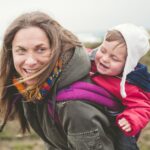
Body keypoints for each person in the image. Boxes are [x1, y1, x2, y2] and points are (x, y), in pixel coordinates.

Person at [0, 11, 121, 150]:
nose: (30, 61)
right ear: (11, 54)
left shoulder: (73, 106)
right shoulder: (36, 88)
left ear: (56, 49)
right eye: (21, 51)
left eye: (40, 49)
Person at [88, 23, 150, 150]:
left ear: (127, 64)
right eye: (103, 50)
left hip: (120, 125)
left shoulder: (129, 85)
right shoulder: (92, 61)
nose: (104, 59)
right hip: (96, 118)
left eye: (114, 58)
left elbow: (142, 106)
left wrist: (130, 119)